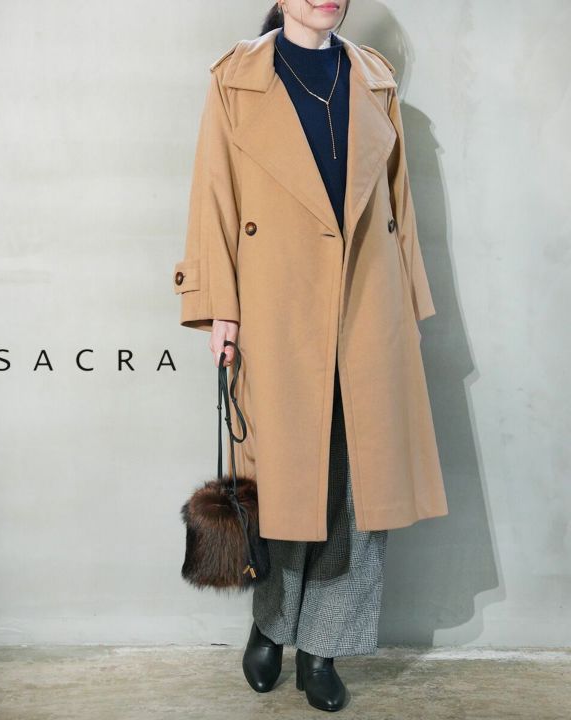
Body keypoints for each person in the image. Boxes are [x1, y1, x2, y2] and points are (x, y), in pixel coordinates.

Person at [173, 0, 449, 713]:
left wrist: (409, 308)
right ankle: (271, 626)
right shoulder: (237, 78)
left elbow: (400, 205)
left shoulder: (374, 78)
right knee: (286, 480)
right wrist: (219, 307)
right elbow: (213, 195)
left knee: (359, 486)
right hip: (275, 303)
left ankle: (325, 647)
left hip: (368, 304)